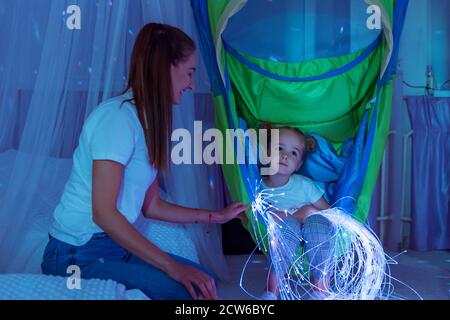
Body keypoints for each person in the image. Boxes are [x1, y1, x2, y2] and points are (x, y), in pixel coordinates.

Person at [41, 23, 249, 300]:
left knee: (204, 282)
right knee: (183, 290)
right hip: (76, 253)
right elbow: (103, 213)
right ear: (165, 68)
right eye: (189, 73)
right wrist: (172, 268)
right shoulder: (116, 119)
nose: (192, 84)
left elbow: (151, 206)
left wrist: (215, 216)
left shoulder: (148, 122)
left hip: (113, 247)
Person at [258, 125, 335, 300]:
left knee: (318, 226)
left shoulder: (304, 185)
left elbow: (330, 213)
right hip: (286, 230)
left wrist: (309, 211)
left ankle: (320, 290)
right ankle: (272, 291)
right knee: (286, 227)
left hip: (313, 227)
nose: (285, 155)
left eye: (293, 153)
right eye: (279, 148)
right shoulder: (257, 188)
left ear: (299, 164)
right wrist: (295, 216)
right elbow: (263, 216)